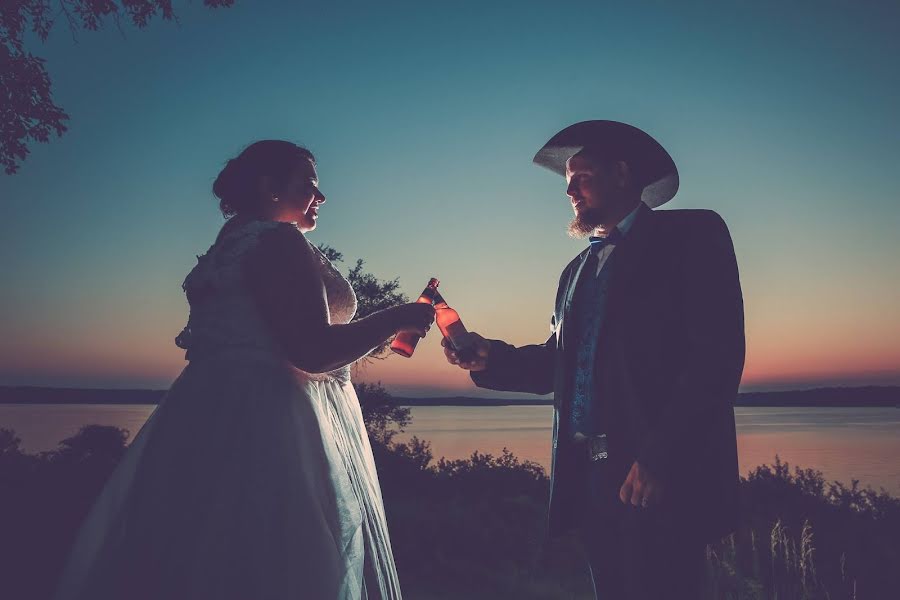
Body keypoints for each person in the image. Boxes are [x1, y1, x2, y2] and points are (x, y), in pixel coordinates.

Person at [54, 140, 434, 600]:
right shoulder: (277, 240)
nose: (323, 196)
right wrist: (396, 317)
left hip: (205, 416)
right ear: (269, 187)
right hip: (271, 423)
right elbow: (311, 350)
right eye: (310, 185)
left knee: (201, 551)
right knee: (277, 560)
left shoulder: (230, 242)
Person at [443, 121, 745, 598]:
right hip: (590, 475)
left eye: (580, 175)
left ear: (621, 173)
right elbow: (561, 364)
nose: (568, 189)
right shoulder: (574, 271)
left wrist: (661, 456)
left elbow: (716, 359)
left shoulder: (693, 234)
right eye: (566, 180)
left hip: (658, 470)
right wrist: (488, 359)